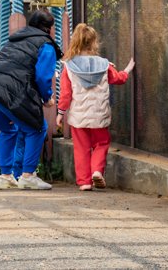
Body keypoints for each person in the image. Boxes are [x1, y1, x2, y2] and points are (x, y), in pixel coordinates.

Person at [0, 9, 61, 190]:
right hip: (10, 92)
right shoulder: (45, 45)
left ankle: (5, 176)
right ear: (49, 29)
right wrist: (47, 97)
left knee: (8, 130)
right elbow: (42, 77)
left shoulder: (15, 41)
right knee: (37, 128)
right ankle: (27, 175)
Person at [55, 23, 134, 191]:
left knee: (81, 148)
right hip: (100, 113)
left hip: (78, 115)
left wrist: (60, 113)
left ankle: (84, 182)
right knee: (101, 143)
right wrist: (127, 69)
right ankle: (97, 171)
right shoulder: (104, 65)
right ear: (94, 43)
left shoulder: (68, 67)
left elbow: (66, 94)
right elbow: (119, 79)